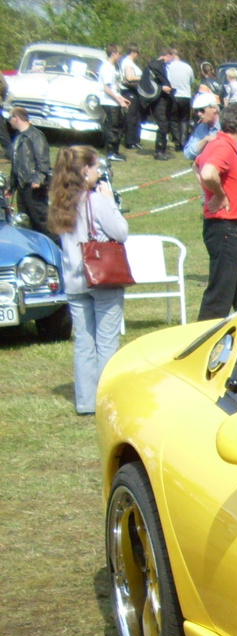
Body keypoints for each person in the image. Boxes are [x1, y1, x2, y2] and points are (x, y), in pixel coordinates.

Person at [49, 145, 127, 415]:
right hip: (101, 277)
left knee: (83, 342)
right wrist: (111, 201)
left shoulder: (60, 202)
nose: (98, 172)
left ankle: (85, 401)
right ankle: (107, 400)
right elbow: (121, 231)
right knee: (106, 342)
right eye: (95, 167)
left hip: (74, 279)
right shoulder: (95, 200)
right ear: (84, 170)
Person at [195, 103, 237, 319]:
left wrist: (209, 194)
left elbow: (197, 166)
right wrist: (219, 196)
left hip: (234, 229)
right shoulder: (222, 147)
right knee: (220, 295)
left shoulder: (219, 144)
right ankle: (202, 343)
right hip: (224, 228)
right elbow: (207, 172)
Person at [8, 107, 53, 239]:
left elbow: (43, 160)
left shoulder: (36, 135)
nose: (9, 121)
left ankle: (54, 244)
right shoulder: (18, 137)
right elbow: (16, 164)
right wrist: (12, 186)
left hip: (33, 186)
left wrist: (38, 179)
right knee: (25, 220)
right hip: (22, 186)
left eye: (10, 118)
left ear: (16, 118)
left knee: (40, 220)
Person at [98, 46, 127, 161]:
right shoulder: (106, 68)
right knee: (113, 126)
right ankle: (110, 152)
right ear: (113, 54)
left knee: (119, 125)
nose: (120, 56)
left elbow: (114, 87)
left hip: (114, 101)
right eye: (119, 54)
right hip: (109, 101)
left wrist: (121, 98)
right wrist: (119, 99)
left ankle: (115, 151)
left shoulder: (112, 67)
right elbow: (107, 89)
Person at [143, 48, 173, 160]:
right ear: (167, 55)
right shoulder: (154, 65)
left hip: (163, 98)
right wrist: (162, 88)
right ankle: (159, 151)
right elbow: (148, 83)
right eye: (171, 58)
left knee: (165, 124)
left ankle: (163, 149)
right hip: (157, 99)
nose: (172, 60)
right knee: (162, 124)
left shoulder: (161, 66)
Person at [165, 48, 194, 148]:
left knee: (173, 119)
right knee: (184, 119)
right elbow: (191, 81)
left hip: (174, 95)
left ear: (171, 55)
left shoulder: (168, 67)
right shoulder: (188, 67)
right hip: (186, 95)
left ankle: (177, 141)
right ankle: (183, 141)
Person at [119, 47, 144, 153]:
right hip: (128, 91)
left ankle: (135, 140)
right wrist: (143, 77)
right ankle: (129, 141)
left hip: (134, 91)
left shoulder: (130, 62)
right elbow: (129, 77)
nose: (137, 55)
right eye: (137, 52)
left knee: (136, 116)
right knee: (131, 116)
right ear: (133, 52)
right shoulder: (127, 62)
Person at [183, 92, 221, 160]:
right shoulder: (200, 128)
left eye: (202, 110)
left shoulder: (227, 126)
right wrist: (204, 140)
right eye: (196, 111)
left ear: (214, 108)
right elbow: (188, 153)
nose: (199, 114)